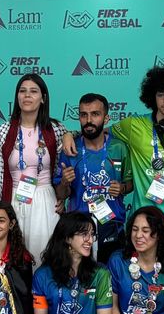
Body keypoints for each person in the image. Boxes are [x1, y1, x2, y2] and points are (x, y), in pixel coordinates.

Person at [68, 63, 164, 266]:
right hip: (143, 222)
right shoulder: (134, 125)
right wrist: (69, 135)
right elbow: (95, 131)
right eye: (161, 94)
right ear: (152, 97)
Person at [0, 73, 68, 265]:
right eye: (22, 91)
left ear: (43, 98)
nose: (27, 96)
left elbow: (65, 169)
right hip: (12, 201)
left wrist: (63, 198)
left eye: (33, 91)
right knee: (13, 259)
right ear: (17, 97)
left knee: (44, 259)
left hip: (46, 201)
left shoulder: (56, 130)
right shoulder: (2, 131)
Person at [54, 94, 132, 264]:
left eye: (95, 114)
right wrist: (64, 183)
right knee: (81, 282)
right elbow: (61, 194)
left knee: (111, 282)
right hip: (77, 228)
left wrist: (122, 188)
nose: (88, 120)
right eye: (83, 115)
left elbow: (130, 183)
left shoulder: (119, 147)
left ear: (106, 118)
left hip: (112, 225)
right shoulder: (70, 148)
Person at [33, 212, 114, 314]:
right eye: (84, 234)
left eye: (92, 235)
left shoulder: (101, 274)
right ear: (67, 238)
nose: (90, 240)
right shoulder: (42, 275)